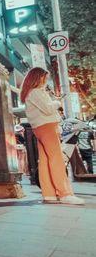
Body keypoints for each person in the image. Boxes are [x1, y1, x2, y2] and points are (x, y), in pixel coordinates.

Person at [21, 67, 84, 205]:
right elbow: (48, 109)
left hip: (40, 128)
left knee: (45, 161)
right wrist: (56, 102)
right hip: (47, 126)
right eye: (45, 78)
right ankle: (65, 194)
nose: (46, 81)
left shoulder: (30, 93)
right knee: (57, 159)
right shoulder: (36, 92)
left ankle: (49, 194)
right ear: (38, 78)